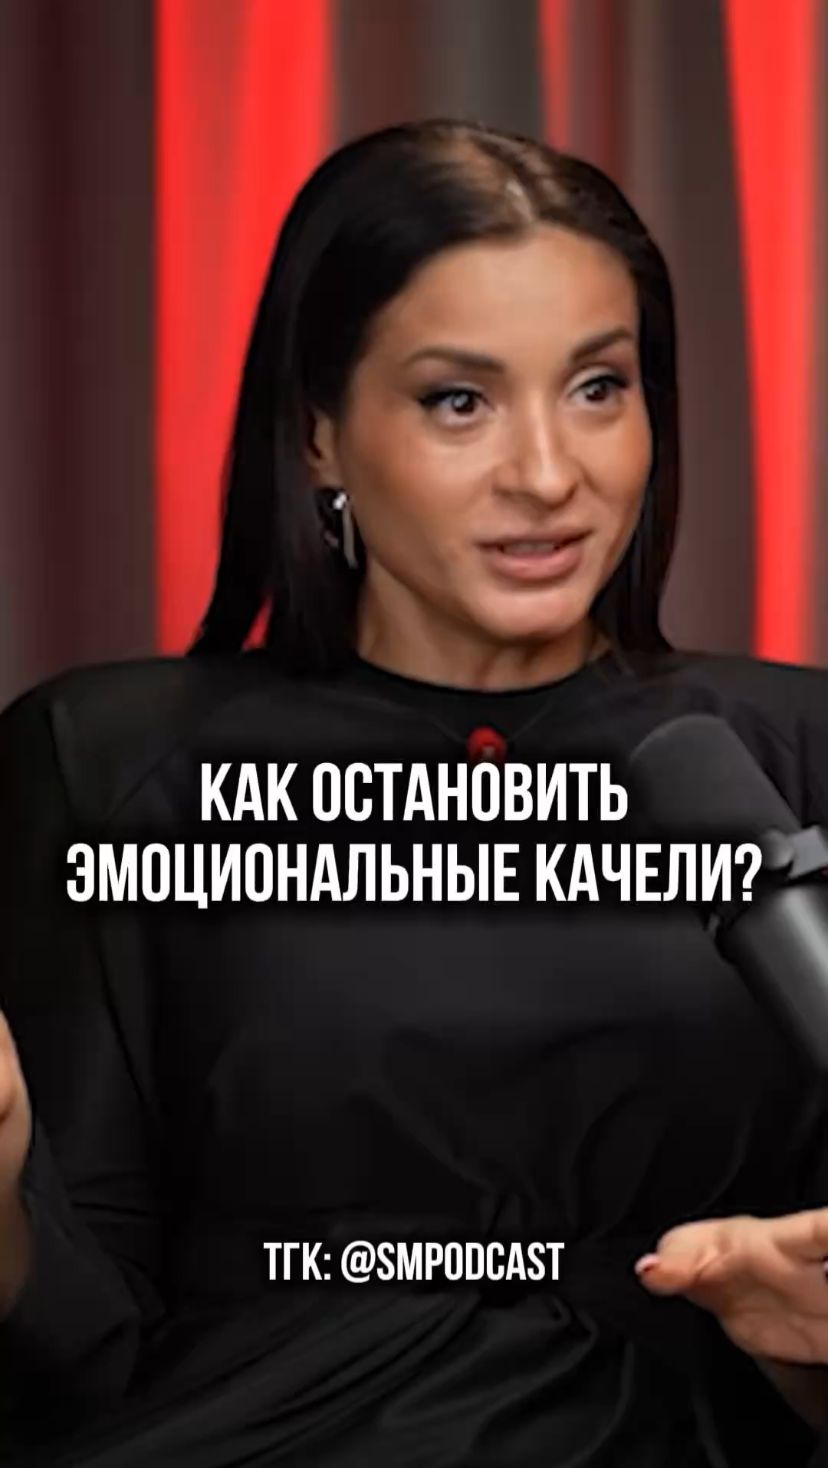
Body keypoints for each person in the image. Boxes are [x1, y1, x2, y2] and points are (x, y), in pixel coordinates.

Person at [2, 117, 828, 1467]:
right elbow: (73, 1341)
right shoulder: (105, 759)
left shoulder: (796, 754)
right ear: (319, 435)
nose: (549, 476)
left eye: (598, 388)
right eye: (460, 401)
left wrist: (801, 1347)